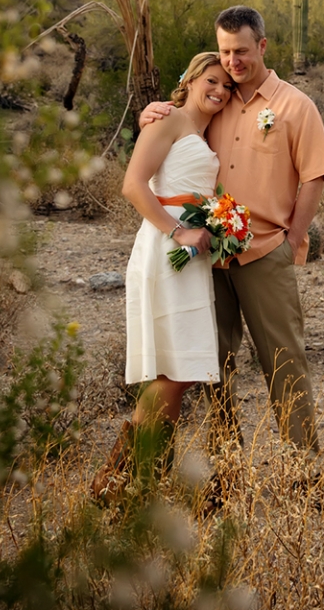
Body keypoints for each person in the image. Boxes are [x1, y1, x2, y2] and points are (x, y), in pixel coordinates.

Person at [140, 6, 324, 498]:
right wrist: (154, 112)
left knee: (283, 362)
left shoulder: (295, 106)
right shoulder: (216, 99)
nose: (232, 62)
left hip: (265, 251)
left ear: (263, 47)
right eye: (225, 52)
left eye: (241, 51)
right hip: (210, 257)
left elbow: (314, 176)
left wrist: (294, 239)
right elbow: (177, 125)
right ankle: (226, 476)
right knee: (215, 367)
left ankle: (305, 476)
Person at [90, 52, 235, 503]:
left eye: (227, 86)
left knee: (182, 369)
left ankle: (140, 478)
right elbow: (133, 184)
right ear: (190, 80)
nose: (220, 90)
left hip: (190, 255)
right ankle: (116, 482)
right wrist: (179, 230)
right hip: (166, 246)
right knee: (172, 372)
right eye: (212, 80)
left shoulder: (200, 128)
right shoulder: (168, 120)